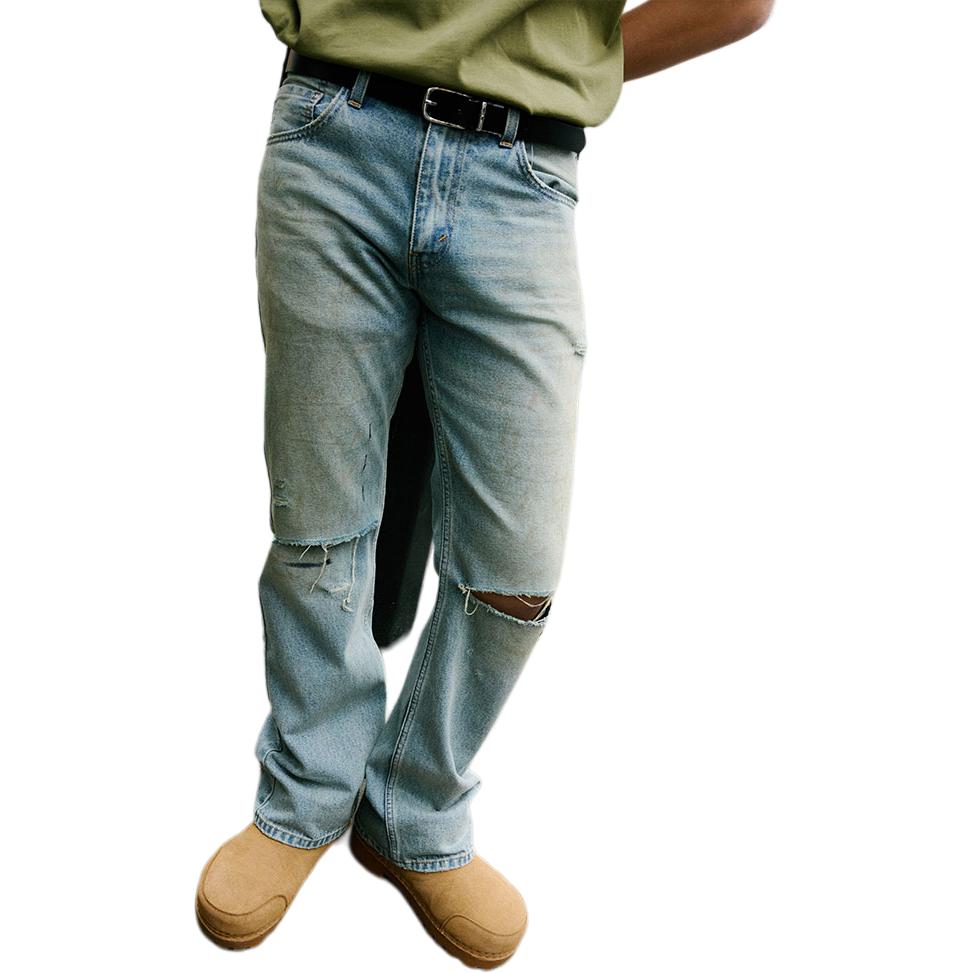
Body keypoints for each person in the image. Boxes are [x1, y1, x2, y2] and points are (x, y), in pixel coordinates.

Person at [195, 1, 774, 965]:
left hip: (521, 171)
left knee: (516, 567)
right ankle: (303, 796)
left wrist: (568, 64)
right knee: (318, 518)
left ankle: (412, 805)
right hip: (335, 132)